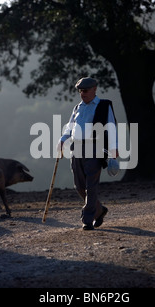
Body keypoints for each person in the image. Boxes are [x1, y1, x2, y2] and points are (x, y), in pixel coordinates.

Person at [57, 77, 119, 230]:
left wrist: (114, 147)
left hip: (95, 148)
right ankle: (99, 210)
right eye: (80, 91)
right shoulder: (77, 107)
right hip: (76, 148)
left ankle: (87, 219)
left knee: (91, 187)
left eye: (85, 91)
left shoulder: (104, 106)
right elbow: (70, 127)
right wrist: (62, 140)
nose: (82, 94)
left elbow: (111, 127)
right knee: (79, 186)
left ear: (94, 89)